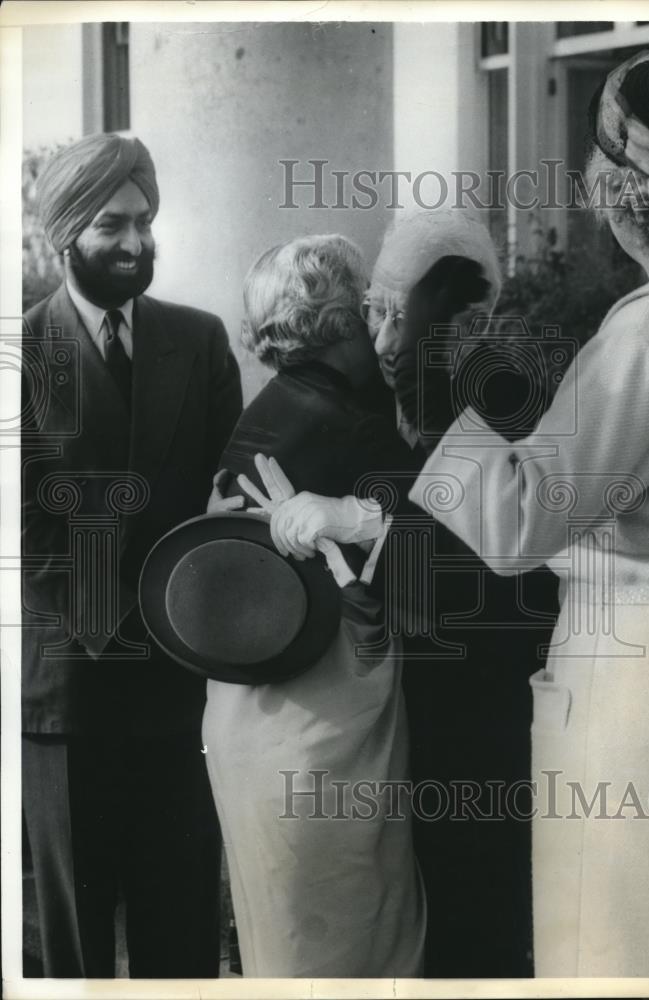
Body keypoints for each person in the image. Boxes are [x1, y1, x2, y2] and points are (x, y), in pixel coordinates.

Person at [257, 51, 649, 977]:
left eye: (391, 308)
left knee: (622, 952)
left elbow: (518, 525)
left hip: (643, 705)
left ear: (611, 190)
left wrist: (432, 430)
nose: (377, 331)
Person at [244, 211, 559, 977]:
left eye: (400, 319)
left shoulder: (506, 387)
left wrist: (348, 518)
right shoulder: (430, 391)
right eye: (373, 314)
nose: (382, 344)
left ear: (471, 319)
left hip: (487, 725)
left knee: (478, 930)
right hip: (441, 710)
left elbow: (451, 559)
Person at [21, 133, 242, 977]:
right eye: (114, 225)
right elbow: (25, 537)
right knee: (70, 948)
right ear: (67, 232)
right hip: (68, 697)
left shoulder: (201, 339)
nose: (137, 244)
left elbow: (230, 501)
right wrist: (146, 605)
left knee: (181, 935)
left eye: (145, 222)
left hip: (181, 691)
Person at [202, 234, 426, 977]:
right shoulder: (351, 424)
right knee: (350, 946)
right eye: (366, 310)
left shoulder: (274, 407)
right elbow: (451, 542)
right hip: (319, 727)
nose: (380, 328)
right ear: (335, 325)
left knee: (290, 946)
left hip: (251, 716)